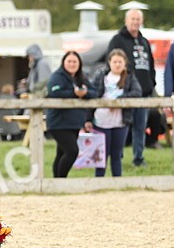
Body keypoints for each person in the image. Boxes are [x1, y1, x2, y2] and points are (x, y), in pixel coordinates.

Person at [107, 9, 156, 167]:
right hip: (125, 93)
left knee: (140, 128)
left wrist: (151, 82)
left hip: (144, 93)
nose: (135, 22)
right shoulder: (117, 40)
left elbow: (151, 65)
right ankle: (117, 158)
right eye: (132, 19)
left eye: (138, 19)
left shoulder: (144, 41)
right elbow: (111, 64)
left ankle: (138, 158)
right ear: (126, 20)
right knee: (122, 126)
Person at [84, 49, 142, 177]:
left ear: (124, 63)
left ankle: (117, 182)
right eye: (115, 61)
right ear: (109, 62)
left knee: (116, 155)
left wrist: (119, 101)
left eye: (120, 62)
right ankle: (99, 182)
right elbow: (92, 94)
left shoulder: (130, 78)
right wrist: (88, 119)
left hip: (120, 121)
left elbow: (137, 93)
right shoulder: (101, 76)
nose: (117, 64)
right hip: (101, 120)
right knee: (100, 156)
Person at [45, 51, 97, 179]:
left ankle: (56, 183)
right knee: (72, 151)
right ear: (63, 62)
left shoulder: (82, 77)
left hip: (74, 123)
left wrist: (85, 94)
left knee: (61, 153)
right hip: (58, 123)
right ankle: (61, 180)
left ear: (79, 63)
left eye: (75, 61)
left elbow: (94, 92)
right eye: (69, 61)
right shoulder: (56, 76)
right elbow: (54, 92)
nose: (72, 64)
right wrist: (75, 94)